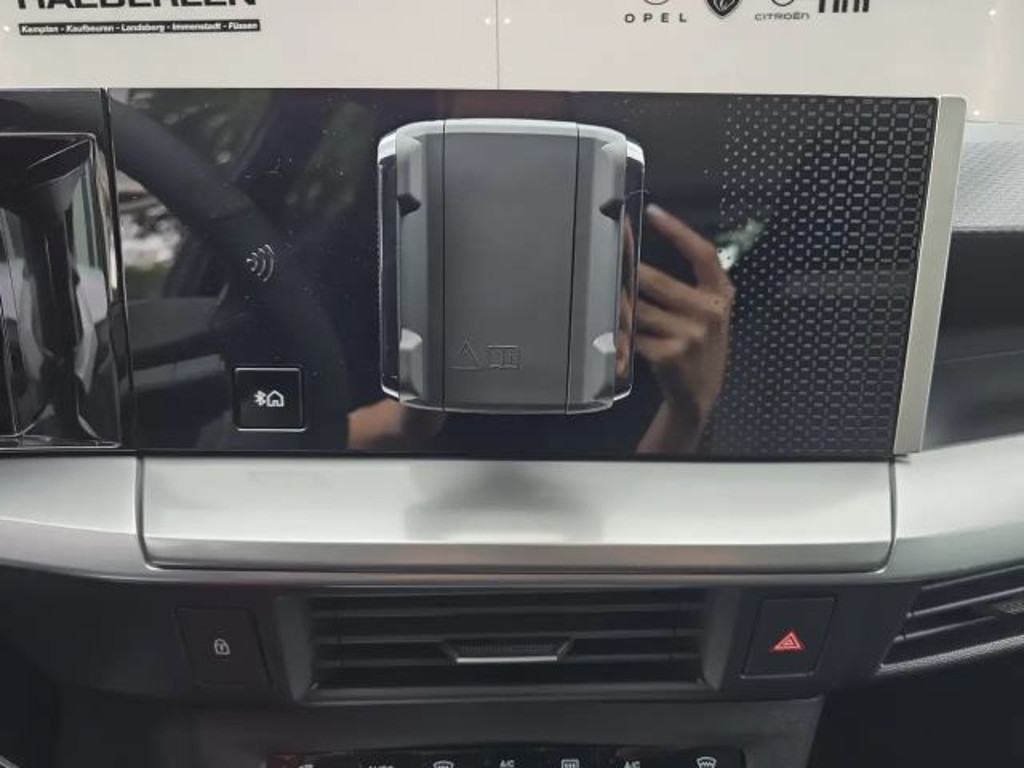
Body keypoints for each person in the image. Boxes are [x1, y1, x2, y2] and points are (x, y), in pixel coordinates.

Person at [349, 204, 734, 456]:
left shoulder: (656, 328)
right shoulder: (376, 286)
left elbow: (633, 537)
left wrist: (685, 415)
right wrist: (407, 415)